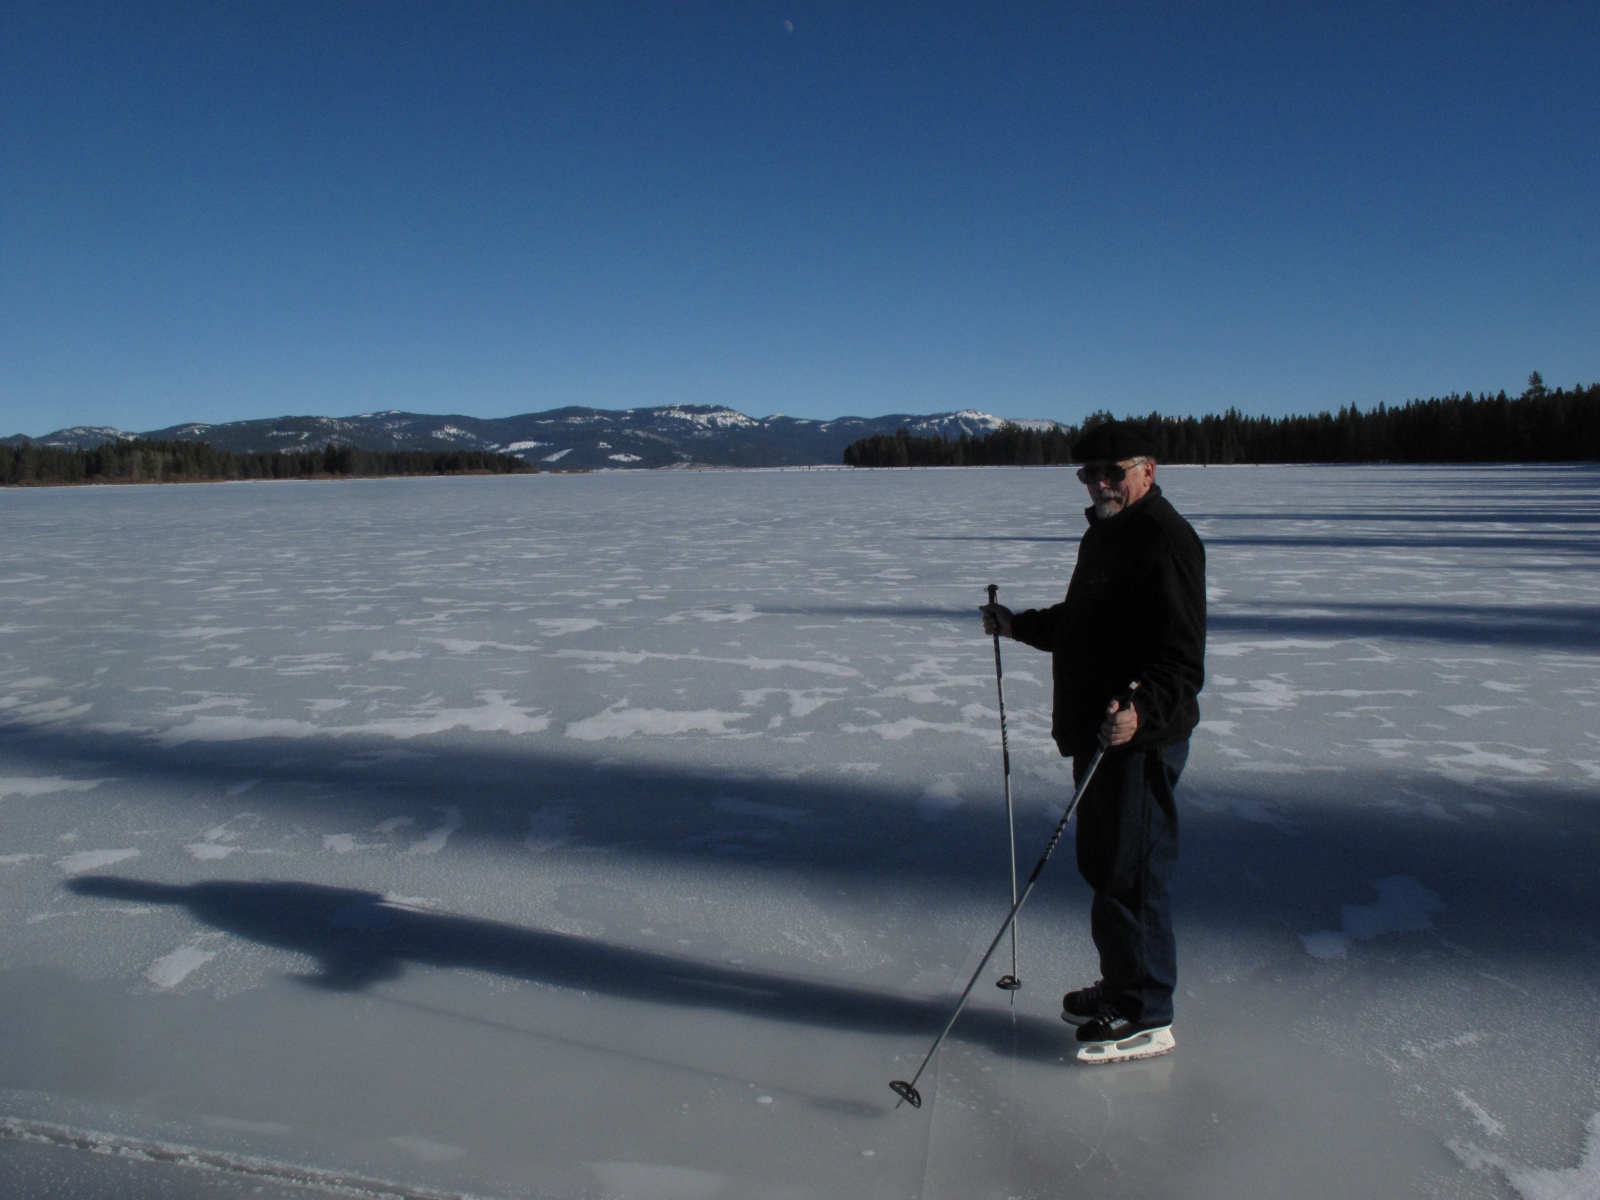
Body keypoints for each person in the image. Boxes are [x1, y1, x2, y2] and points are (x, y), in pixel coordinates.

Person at [980, 420, 1205, 1064]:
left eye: (1113, 471)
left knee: (1134, 876)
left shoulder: (1166, 541)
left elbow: (1182, 663)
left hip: (1138, 740)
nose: (1101, 483)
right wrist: (1018, 625)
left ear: (1147, 470)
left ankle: (1147, 1013)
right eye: (1090, 473)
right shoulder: (1106, 534)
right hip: (1096, 733)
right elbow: (1084, 626)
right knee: (1105, 869)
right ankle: (1121, 985)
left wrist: (1140, 711)